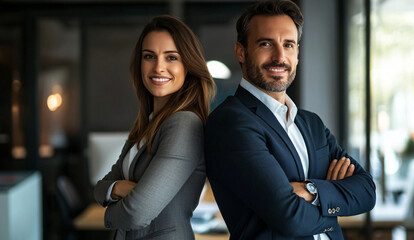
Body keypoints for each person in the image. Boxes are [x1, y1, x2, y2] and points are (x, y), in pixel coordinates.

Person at [204, 1, 376, 239]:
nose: (279, 57)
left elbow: (367, 191)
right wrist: (334, 207)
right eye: (266, 44)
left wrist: (311, 190)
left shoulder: (311, 124)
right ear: (241, 51)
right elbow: (289, 218)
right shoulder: (231, 122)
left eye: (288, 45)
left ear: (297, 53)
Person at [94, 15, 215, 239]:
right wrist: (119, 188)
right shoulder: (147, 123)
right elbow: (101, 186)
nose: (158, 67)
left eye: (171, 58)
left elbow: (136, 214)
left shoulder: (184, 124)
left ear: (187, 65)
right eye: (149, 56)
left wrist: (109, 212)